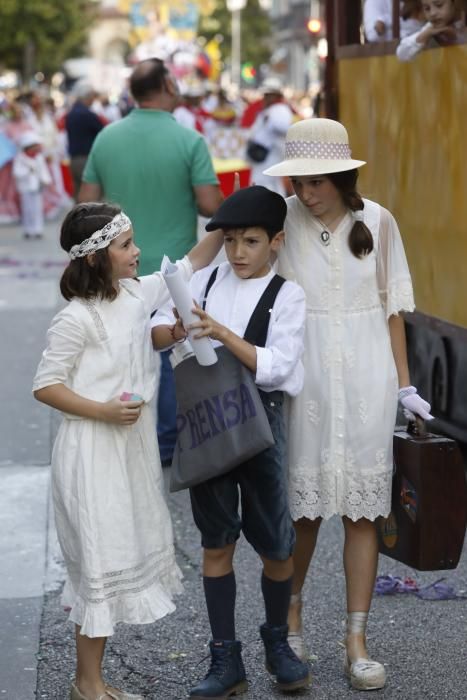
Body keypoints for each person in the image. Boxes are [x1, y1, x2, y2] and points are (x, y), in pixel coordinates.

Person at [263, 118, 433, 691]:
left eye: (315, 182)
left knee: (364, 513)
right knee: (303, 513)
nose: (305, 193)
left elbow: (393, 312)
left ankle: (356, 641)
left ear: (340, 175)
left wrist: (405, 389)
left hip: (368, 383)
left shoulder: (379, 221)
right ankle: (290, 624)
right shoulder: (281, 221)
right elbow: (229, 255)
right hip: (305, 384)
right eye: (297, 182)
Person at [32, 201, 224, 700]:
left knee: (112, 560)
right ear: (96, 256)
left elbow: (191, 264)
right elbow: (46, 385)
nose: (137, 252)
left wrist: (230, 219)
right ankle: (87, 683)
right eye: (126, 245)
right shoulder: (75, 319)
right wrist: (101, 410)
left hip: (128, 451)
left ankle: (90, 680)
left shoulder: (137, 295)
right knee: (98, 565)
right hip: (92, 453)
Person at [152, 185, 310, 699]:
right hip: (207, 424)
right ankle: (225, 658)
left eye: (252, 241)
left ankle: (278, 641)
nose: (238, 252)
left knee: (275, 545)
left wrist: (221, 333)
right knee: (215, 542)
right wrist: (176, 331)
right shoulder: (202, 279)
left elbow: (280, 369)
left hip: (262, 427)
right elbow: (154, 326)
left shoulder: (288, 295)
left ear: (277, 241)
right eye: (230, 241)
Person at [79, 57, 223, 470]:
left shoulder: (107, 138)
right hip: (172, 263)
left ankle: (125, 427)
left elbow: (85, 203)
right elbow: (209, 204)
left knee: (122, 347)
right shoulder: (189, 139)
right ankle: (165, 443)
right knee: (168, 347)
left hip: (115, 264)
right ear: (167, 85)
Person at [246, 78, 293, 197]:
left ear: (276, 95)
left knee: (267, 184)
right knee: (265, 183)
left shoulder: (281, 109)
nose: (266, 97)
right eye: (266, 94)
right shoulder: (269, 110)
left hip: (271, 154)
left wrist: (270, 121)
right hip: (263, 156)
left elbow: (284, 127)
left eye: (269, 94)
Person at [65, 82, 104, 198]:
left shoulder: (71, 113)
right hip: (86, 159)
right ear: (87, 97)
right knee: (91, 199)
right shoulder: (87, 114)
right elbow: (102, 133)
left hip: (74, 159)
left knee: (79, 196)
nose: (93, 100)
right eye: (92, 96)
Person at [12, 131, 51, 239]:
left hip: (37, 187)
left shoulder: (39, 158)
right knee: (27, 209)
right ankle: (28, 229)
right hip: (25, 188)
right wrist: (28, 170)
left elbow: (43, 170)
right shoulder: (20, 158)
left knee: (37, 209)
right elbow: (16, 173)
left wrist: (46, 180)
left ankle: (38, 229)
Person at [397, 0, 466, 60]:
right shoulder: (432, 27)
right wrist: (424, 36)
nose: (432, 13)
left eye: (439, 5)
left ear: (456, 2)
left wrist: (456, 39)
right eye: (427, 8)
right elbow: (402, 54)